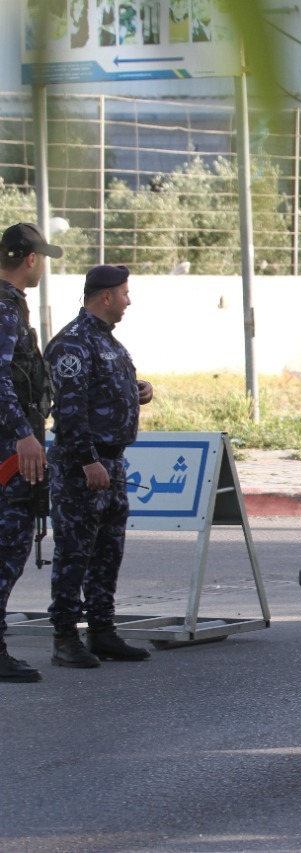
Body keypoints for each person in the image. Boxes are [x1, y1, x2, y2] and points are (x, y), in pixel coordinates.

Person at [45, 264, 154, 668]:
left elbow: (102, 391)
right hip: (83, 466)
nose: (129, 300)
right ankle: (64, 638)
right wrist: (88, 461)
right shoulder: (73, 343)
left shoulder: (107, 341)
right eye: (125, 293)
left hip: (112, 462)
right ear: (106, 296)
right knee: (75, 552)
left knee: (108, 550)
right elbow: (69, 412)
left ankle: (102, 630)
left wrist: (138, 390)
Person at [0, 223, 61, 683]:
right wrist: (23, 434)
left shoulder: (11, 306)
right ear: (30, 259)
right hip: (9, 456)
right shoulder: (5, 309)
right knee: (8, 549)